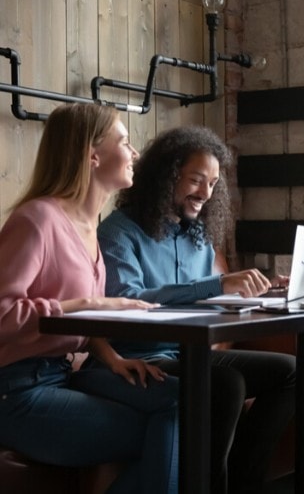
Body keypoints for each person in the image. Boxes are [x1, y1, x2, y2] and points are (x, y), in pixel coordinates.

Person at [94, 125, 296, 494]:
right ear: (165, 176)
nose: (205, 193)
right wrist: (218, 285)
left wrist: (255, 294)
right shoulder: (119, 232)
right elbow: (128, 300)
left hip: (188, 354)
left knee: (292, 372)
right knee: (225, 384)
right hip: (140, 356)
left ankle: (238, 483)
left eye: (213, 183)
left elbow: (203, 303)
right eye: (195, 180)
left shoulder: (198, 239)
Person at [0, 103, 179, 494]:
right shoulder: (37, 220)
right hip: (16, 390)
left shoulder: (87, 226)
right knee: (170, 424)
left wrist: (113, 359)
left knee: (185, 398)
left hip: (63, 375)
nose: (134, 154)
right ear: (92, 155)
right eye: (125, 142)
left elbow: (83, 319)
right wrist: (82, 306)